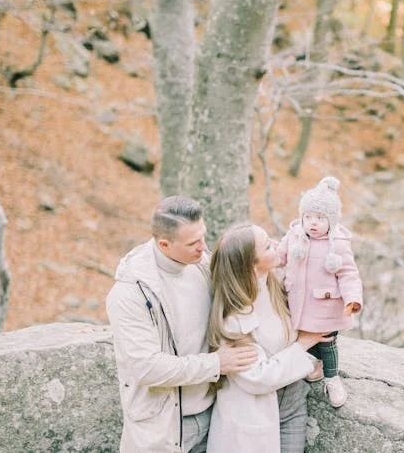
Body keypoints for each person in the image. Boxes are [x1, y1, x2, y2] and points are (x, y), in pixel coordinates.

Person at [106, 196, 259, 453]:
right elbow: (145, 368)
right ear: (164, 244)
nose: (203, 247)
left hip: (215, 414)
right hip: (162, 427)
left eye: (203, 236)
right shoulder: (130, 294)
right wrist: (216, 364)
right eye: (193, 243)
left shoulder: (201, 265)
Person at [206, 224, 331, 453]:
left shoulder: (275, 285)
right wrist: (304, 343)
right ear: (252, 266)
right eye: (267, 246)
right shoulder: (232, 318)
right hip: (255, 410)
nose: (276, 244)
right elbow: (258, 378)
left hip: (293, 400)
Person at [278, 176, 363, 408]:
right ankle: (313, 363)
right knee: (302, 334)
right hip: (297, 299)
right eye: (308, 217)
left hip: (325, 303)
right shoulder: (294, 236)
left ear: (332, 220)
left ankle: (332, 377)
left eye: (320, 218)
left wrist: (353, 298)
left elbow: (348, 274)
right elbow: (279, 256)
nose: (312, 223)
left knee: (326, 340)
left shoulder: (338, 244)